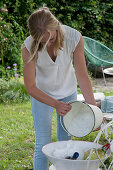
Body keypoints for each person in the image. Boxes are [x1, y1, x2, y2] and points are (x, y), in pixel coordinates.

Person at [22, 7, 98, 170]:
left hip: (68, 92)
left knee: (66, 144)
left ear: (56, 27)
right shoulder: (28, 46)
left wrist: (93, 110)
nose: (48, 44)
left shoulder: (74, 37)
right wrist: (55, 104)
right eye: (43, 42)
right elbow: (30, 86)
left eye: (51, 39)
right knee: (42, 143)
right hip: (41, 94)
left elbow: (83, 76)